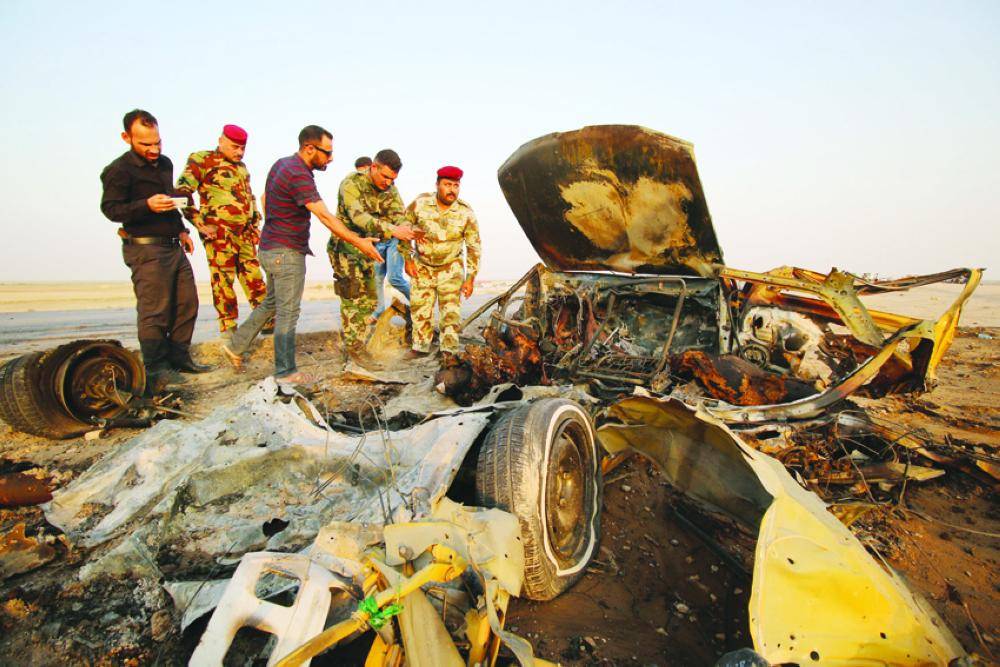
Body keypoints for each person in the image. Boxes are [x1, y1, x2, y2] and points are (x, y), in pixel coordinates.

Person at [221, 125, 383, 385]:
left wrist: (276, 223)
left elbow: (265, 198)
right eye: (326, 152)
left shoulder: (281, 165)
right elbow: (325, 216)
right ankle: (285, 372)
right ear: (309, 148)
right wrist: (359, 242)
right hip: (286, 253)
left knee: (271, 303)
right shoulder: (299, 174)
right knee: (287, 312)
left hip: (269, 247)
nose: (330, 158)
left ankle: (235, 346)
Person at [100, 109, 209, 392]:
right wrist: (145, 205)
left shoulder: (165, 164)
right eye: (146, 144)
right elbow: (111, 209)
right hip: (145, 249)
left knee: (187, 304)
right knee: (155, 311)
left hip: (173, 245)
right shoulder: (118, 171)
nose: (154, 149)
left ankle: (179, 358)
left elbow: (171, 203)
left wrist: (182, 230)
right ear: (127, 138)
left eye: (157, 142)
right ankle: (157, 369)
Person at [176, 124, 267, 341]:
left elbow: (250, 199)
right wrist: (199, 223)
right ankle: (228, 327)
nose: (240, 152)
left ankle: (267, 321)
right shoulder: (202, 160)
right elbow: (181, 192)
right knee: (223, 280)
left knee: (254, 277)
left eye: (243, 148)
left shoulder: (242, 168)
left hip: (244, 234)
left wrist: (255, 226)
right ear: (221, 141)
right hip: (219, 234)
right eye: (235, 147)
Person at [330, 149, 420, 367]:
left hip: (372, 251)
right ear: (374, 167)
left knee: (370, 300)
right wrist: (393, 229)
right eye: (385, 177)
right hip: (348, 249)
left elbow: (400, 217)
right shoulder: (351, 184)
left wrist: (408, 230)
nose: (388, 182)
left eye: (393, 179)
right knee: (353, 299)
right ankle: (354, 349)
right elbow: (358, 217)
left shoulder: (391, 189)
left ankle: (356, 346)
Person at [400, 166, 480, 359]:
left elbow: (474, 246)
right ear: (437, 185)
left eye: (456, 185)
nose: (452, 189)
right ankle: (420, 347)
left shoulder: (466, 212)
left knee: (450, 313)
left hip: (450, 268)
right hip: (422, 266)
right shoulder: (420, 204)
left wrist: (470, 277)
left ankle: (449, 351)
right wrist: (407, 258)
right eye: (447, 184)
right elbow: (403, 229)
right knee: (421, 309)